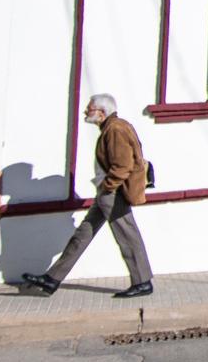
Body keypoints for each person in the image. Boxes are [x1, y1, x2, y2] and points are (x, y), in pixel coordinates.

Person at [24, 93, 154, 298]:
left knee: (127, 235)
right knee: (83, 234)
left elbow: (123, 165)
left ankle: (142, 282)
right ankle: (52, 279)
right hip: (107, 192)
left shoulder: (116, 129)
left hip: (113, 192)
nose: (86, 112)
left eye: (90, 109)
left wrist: (108, 186)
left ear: (102, 113)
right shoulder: (111, 127)